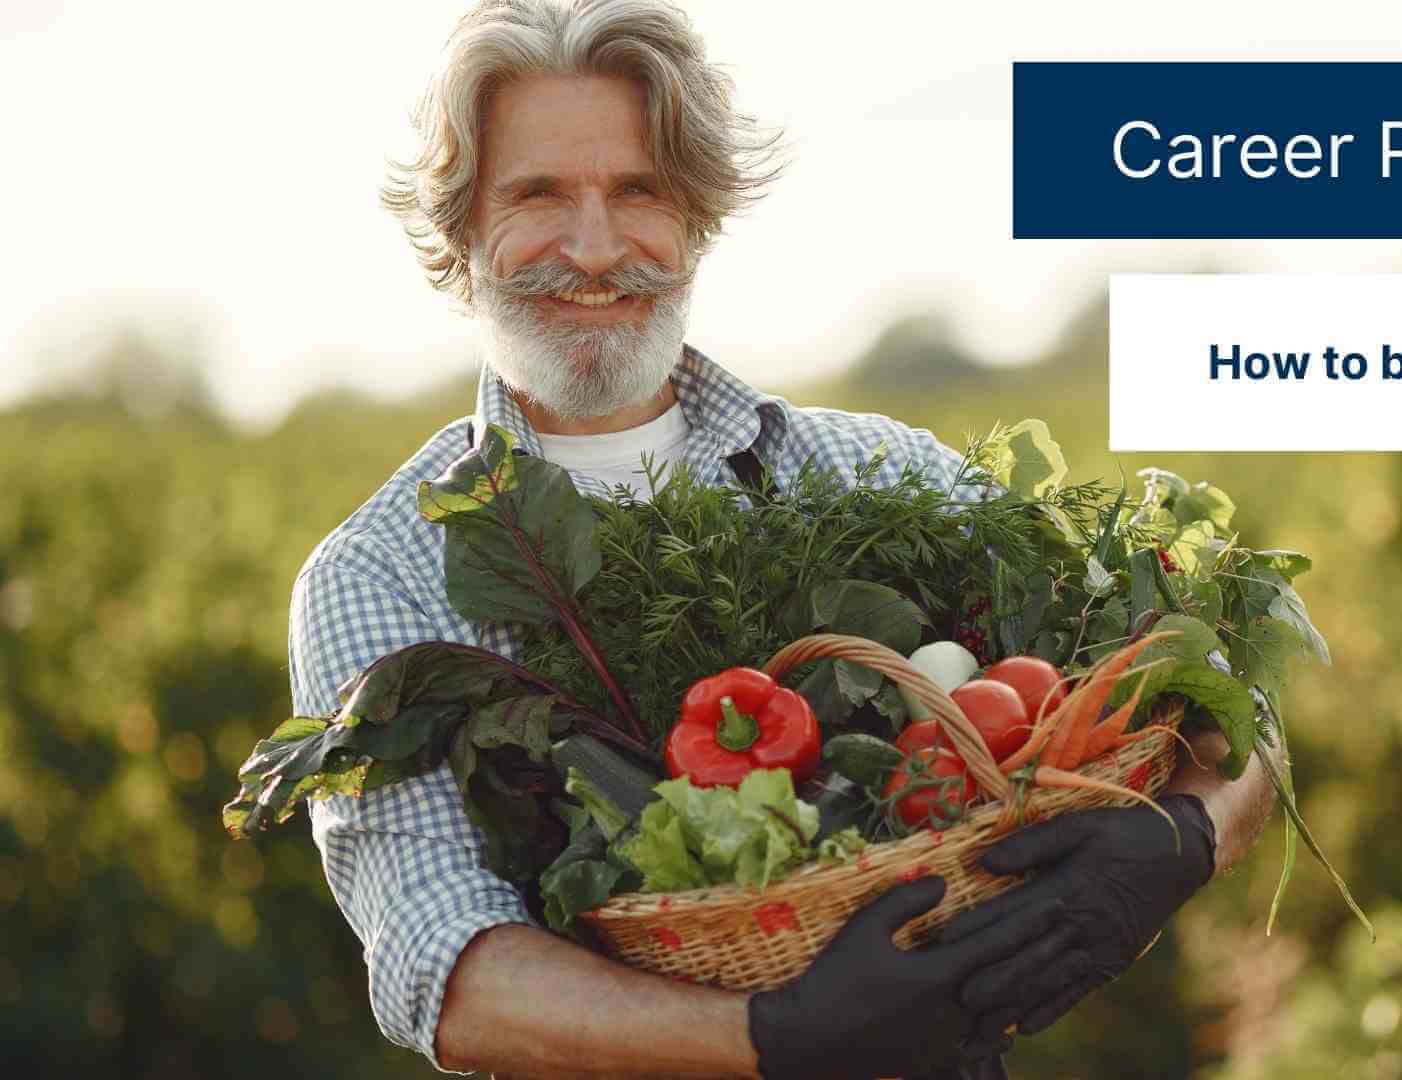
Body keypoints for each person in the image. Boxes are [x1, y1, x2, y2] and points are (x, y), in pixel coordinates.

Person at [292, 2, 1277, 1076]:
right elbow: (444, 967)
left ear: (698, 214)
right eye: (537, 194)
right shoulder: (380, 569)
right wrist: (775, 1040)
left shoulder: (873, 471)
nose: (593, 245)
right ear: (461, 227)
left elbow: (1232, 709)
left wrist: (1186, 834)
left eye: (638, 190)